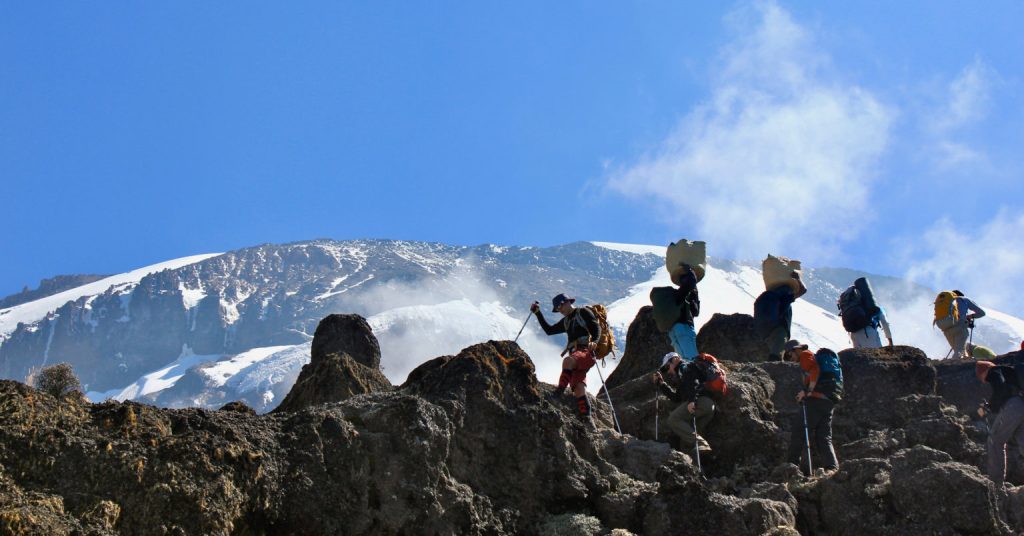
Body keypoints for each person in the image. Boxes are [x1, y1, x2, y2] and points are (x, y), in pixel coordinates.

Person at [531, 293, 601, 420]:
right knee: (578, 387)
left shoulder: (583, 312)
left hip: (586, 351)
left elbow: (596, 327)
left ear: (568, 302)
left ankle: (558, 394)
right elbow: (549, 330)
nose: (560, 310)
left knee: (568, 361)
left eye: (561, 306)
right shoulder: (566, 321)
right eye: (558, 309)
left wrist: (594, 342)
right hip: (577, 354)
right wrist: (538, 313)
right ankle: (586, 417)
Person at [784, 340, 839, 474]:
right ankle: (832, 468)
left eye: (790, 355)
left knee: (799, 431)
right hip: (829, 400)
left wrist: (807, 391)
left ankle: (791, 467)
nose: (791, 359)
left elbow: (815, 370)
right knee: (823, 436)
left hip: (816, 399)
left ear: (795, 350)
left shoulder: (805, 355)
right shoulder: (814, 357)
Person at [652, 352, 714, 453]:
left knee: (673, 419)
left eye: (667, 367)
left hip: (700, 402)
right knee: (686, 441)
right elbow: (677, 398)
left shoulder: (684, 367)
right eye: (664, 370)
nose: (667, 371)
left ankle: (701, 443)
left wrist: (691, 401)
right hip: (708, 407)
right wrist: (662, 384)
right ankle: (694, 465)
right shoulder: (682, 376)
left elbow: (694, 383)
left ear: (675, 359)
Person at [976, 361, 1024, 487]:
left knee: (995, 440)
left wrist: (989, 407)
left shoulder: (994, 371)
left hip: (1013, 406)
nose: (983, 381)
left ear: (984, 370)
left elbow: (1000, 388)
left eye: (981, 377)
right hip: (1021, 404)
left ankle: (996, 484)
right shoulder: (1011, 372)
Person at [754, 272, 808, 361]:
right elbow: (803, 290)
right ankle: (773, 371)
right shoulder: (785, 298)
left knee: (773, 351)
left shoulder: (768, 296)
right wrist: (797, 278)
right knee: (776, 355)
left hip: (764, 331)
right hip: (778, 329)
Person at [667, 264, 700, 360]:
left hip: (673, 330)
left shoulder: (677, 295)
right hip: (684, 327)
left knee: (683, 359)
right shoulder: (684, 293)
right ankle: (694, 373)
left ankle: (687, 374)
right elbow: (691, 282)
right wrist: (690, 271)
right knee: (692, 358)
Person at [943, 290, 986, 360]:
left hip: (946, 328)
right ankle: (954, 366)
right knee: (959, 350)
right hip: (960, 326)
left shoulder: (947, 302)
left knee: (956, 348)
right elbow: (982, 313)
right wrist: (970, 317)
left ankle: (950, 363)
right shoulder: (964, 299)